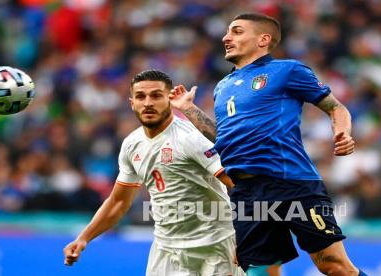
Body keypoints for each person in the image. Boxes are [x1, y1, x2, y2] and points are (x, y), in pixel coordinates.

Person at [170, 13, 367, 276]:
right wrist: (189, 109)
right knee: (259, 271)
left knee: (333, 265)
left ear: (263, 39)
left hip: (291, 182)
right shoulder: (223, 86)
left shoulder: (287, 70)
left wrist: (343, 133)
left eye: (237, 31)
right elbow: (225, 138)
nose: (226, 37)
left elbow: (335, 107)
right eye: (228, 32)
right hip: (246, 191)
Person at [63, 70, 245, 276]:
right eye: (141, 97)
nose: (148, 102)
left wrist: (247, 235)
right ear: (132, 103)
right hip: (166, 250)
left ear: (170, 99)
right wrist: (83, 238)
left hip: (216, 246)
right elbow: (119, 202)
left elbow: (238, 185)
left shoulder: (191, 138)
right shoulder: (132, 144)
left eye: (156, 95)